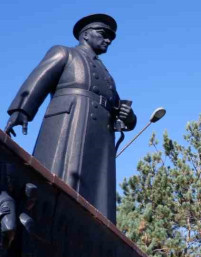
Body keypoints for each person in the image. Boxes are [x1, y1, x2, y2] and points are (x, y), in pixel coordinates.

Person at [4, 14, 136, 223]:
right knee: (65, 177)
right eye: (104, 34)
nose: (108, 40)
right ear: (85, 35)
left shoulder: (107, 75)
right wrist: (21, 111)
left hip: (100, 138)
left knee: (98, 192)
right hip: (71, 122)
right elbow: (39, 78)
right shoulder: (65, 53)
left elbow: (119, 107)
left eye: (111, 37)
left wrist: (129, 118)